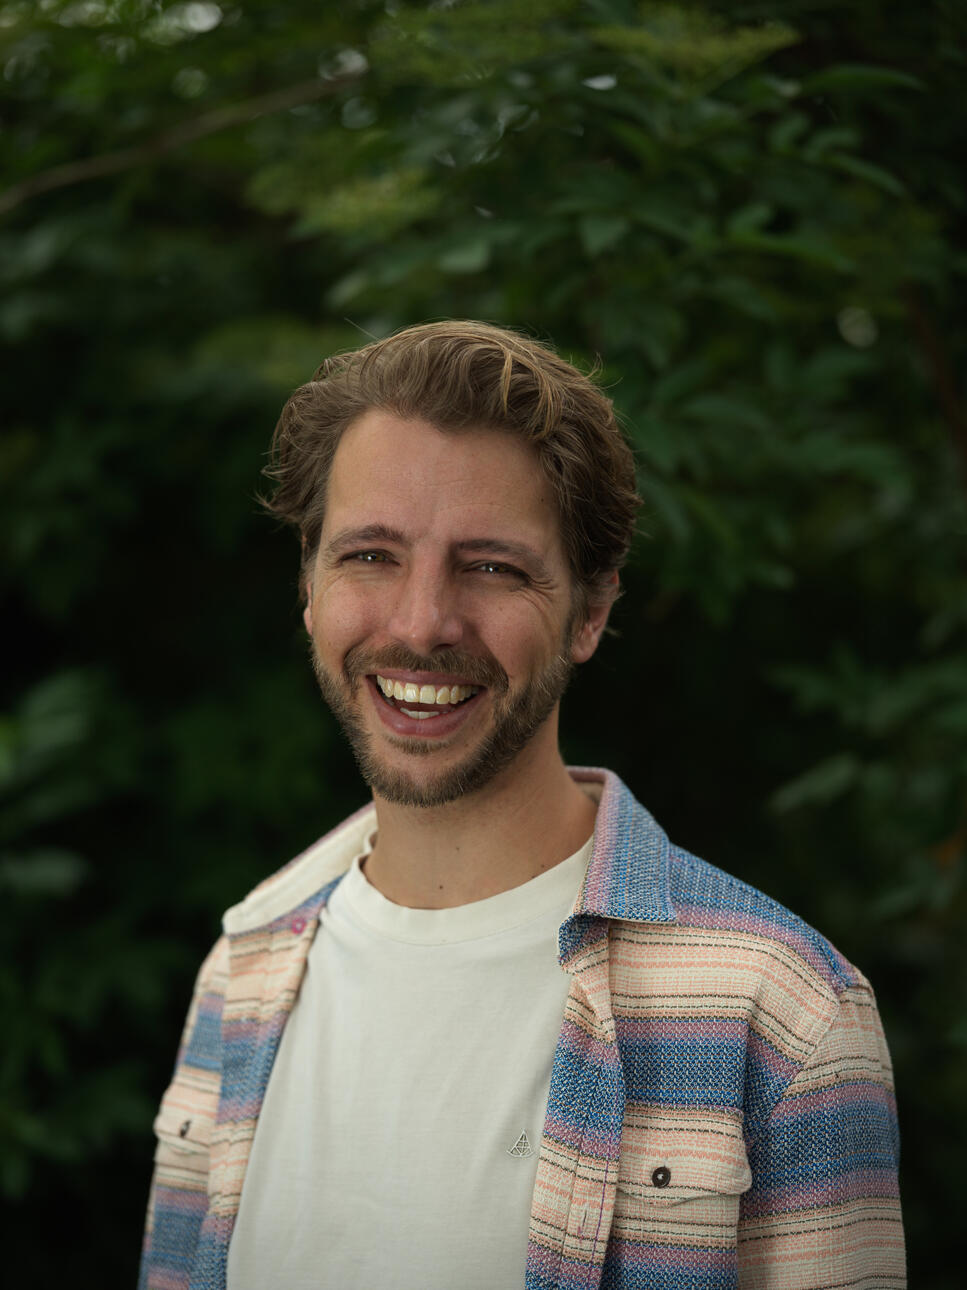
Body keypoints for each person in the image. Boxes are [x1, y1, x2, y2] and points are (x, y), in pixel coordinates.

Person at [139, 321, 904, 1290]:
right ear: (308, 583)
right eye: (370, 555)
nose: (421, 623)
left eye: (492, 567)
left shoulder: (786, 1016)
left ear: (590, 610)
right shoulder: (241, 972)